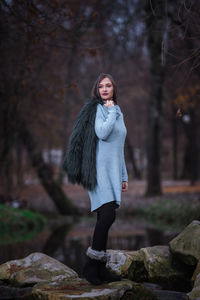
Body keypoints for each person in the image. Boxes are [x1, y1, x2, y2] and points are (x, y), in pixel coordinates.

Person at [62, 73, 128, 285]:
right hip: (98, 171)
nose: (105, 89)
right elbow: (102, 133)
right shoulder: (100, 110)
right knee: (107, 216)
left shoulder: (117, 111)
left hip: (113, 172)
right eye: (101, 86)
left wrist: (124, 176)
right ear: (97, 90)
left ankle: (99, 269)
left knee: (105, 217)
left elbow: (120, 148)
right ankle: (91, 267)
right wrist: (110, 111)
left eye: (108, 86)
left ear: (114, 89)